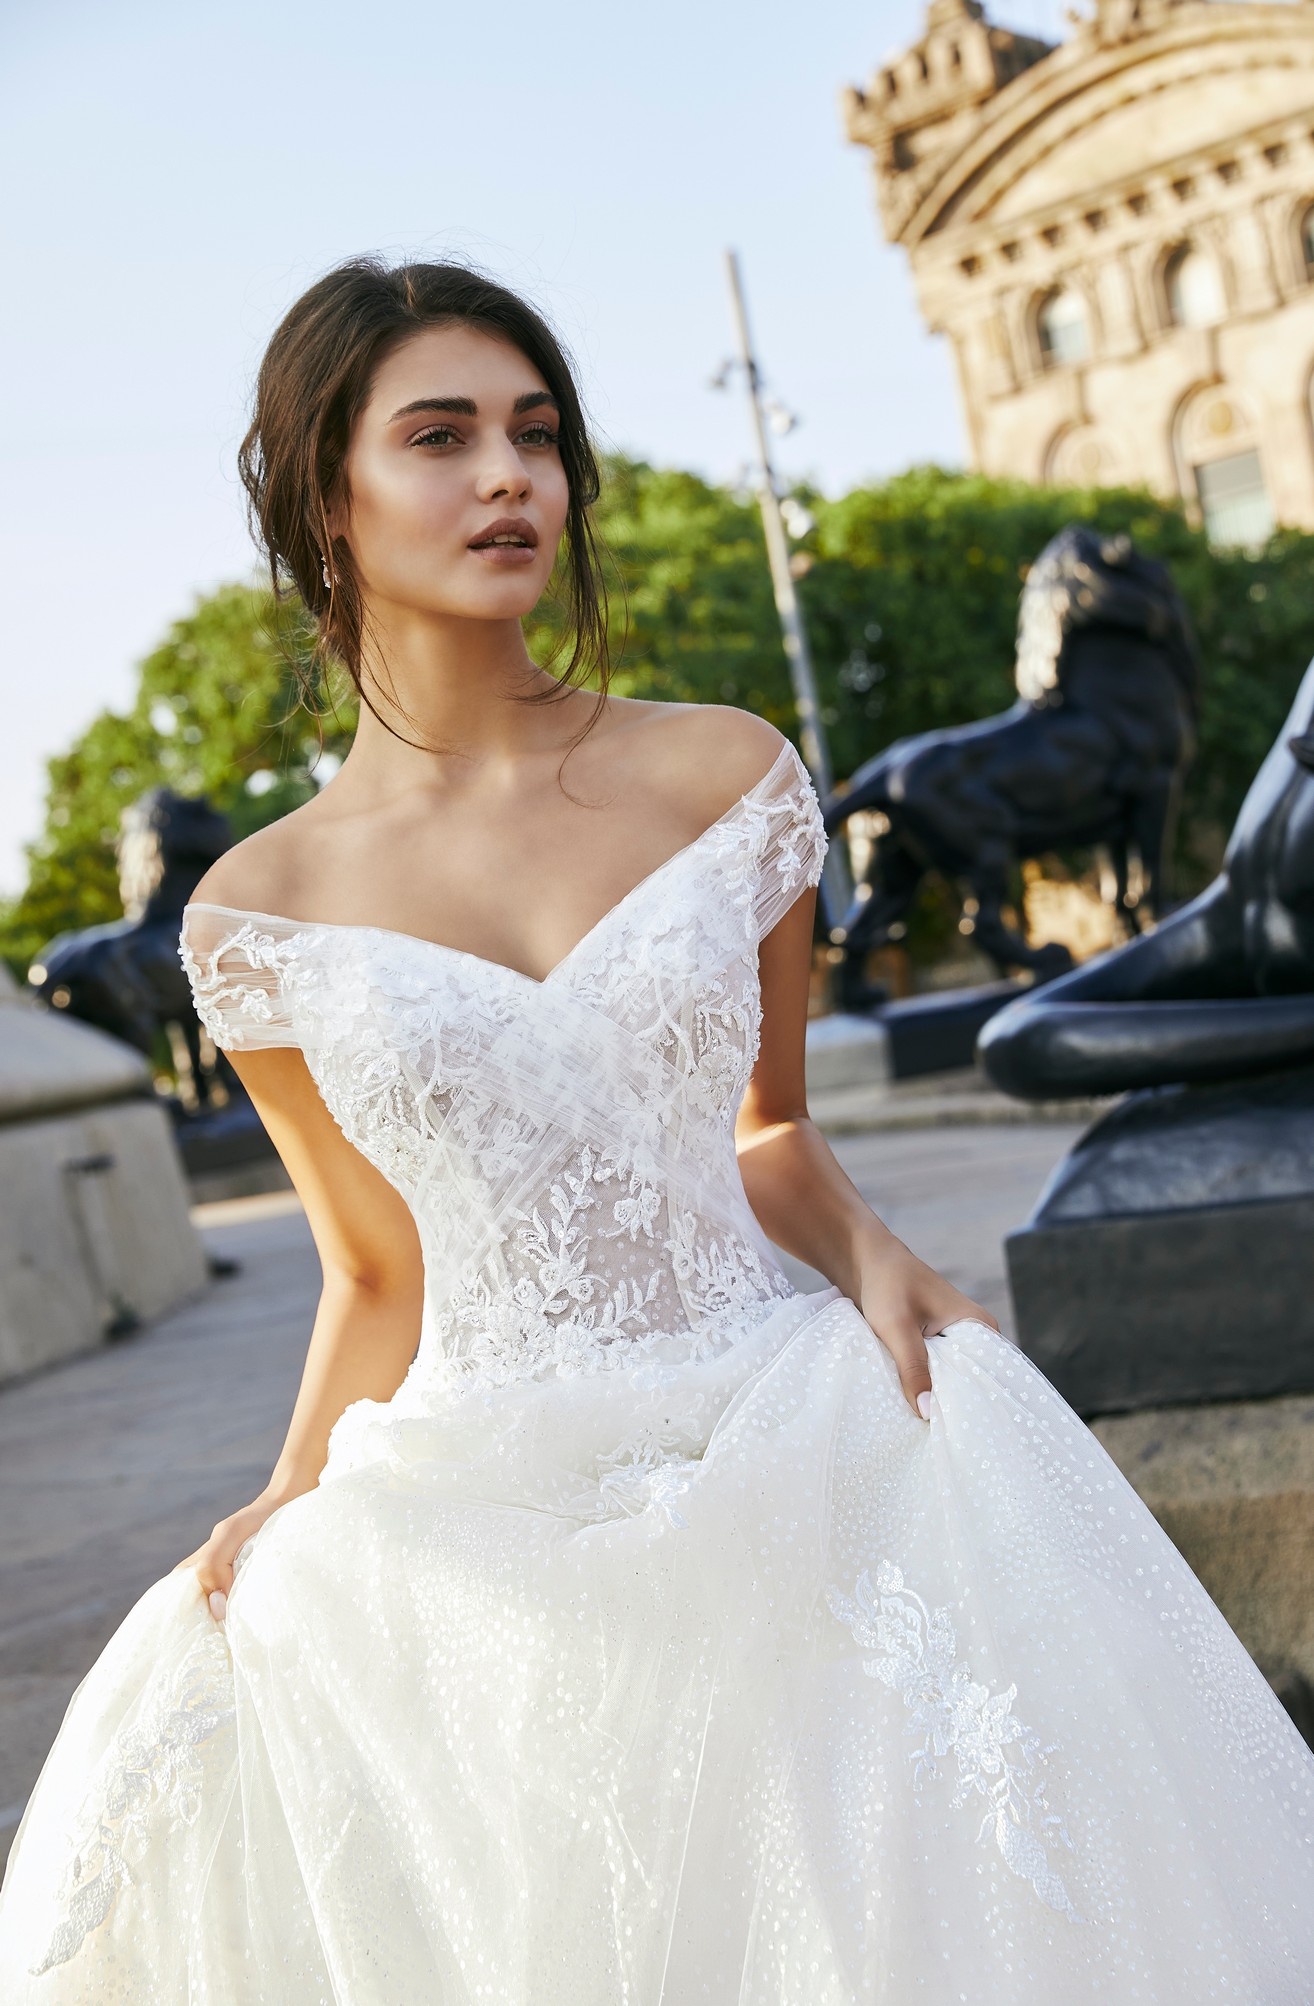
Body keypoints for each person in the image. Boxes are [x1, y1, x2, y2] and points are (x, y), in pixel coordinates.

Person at [1, 257, 1312, 2005]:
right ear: (328, 492)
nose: (508, 478)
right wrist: (284, 1491)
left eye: (536, 435)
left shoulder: (729, 775)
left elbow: (765, 1125)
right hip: (481, 1509)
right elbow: (374, 1262)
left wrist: (876, 1255)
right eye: (442, 435)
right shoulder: (260, 911)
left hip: (783, 1435)